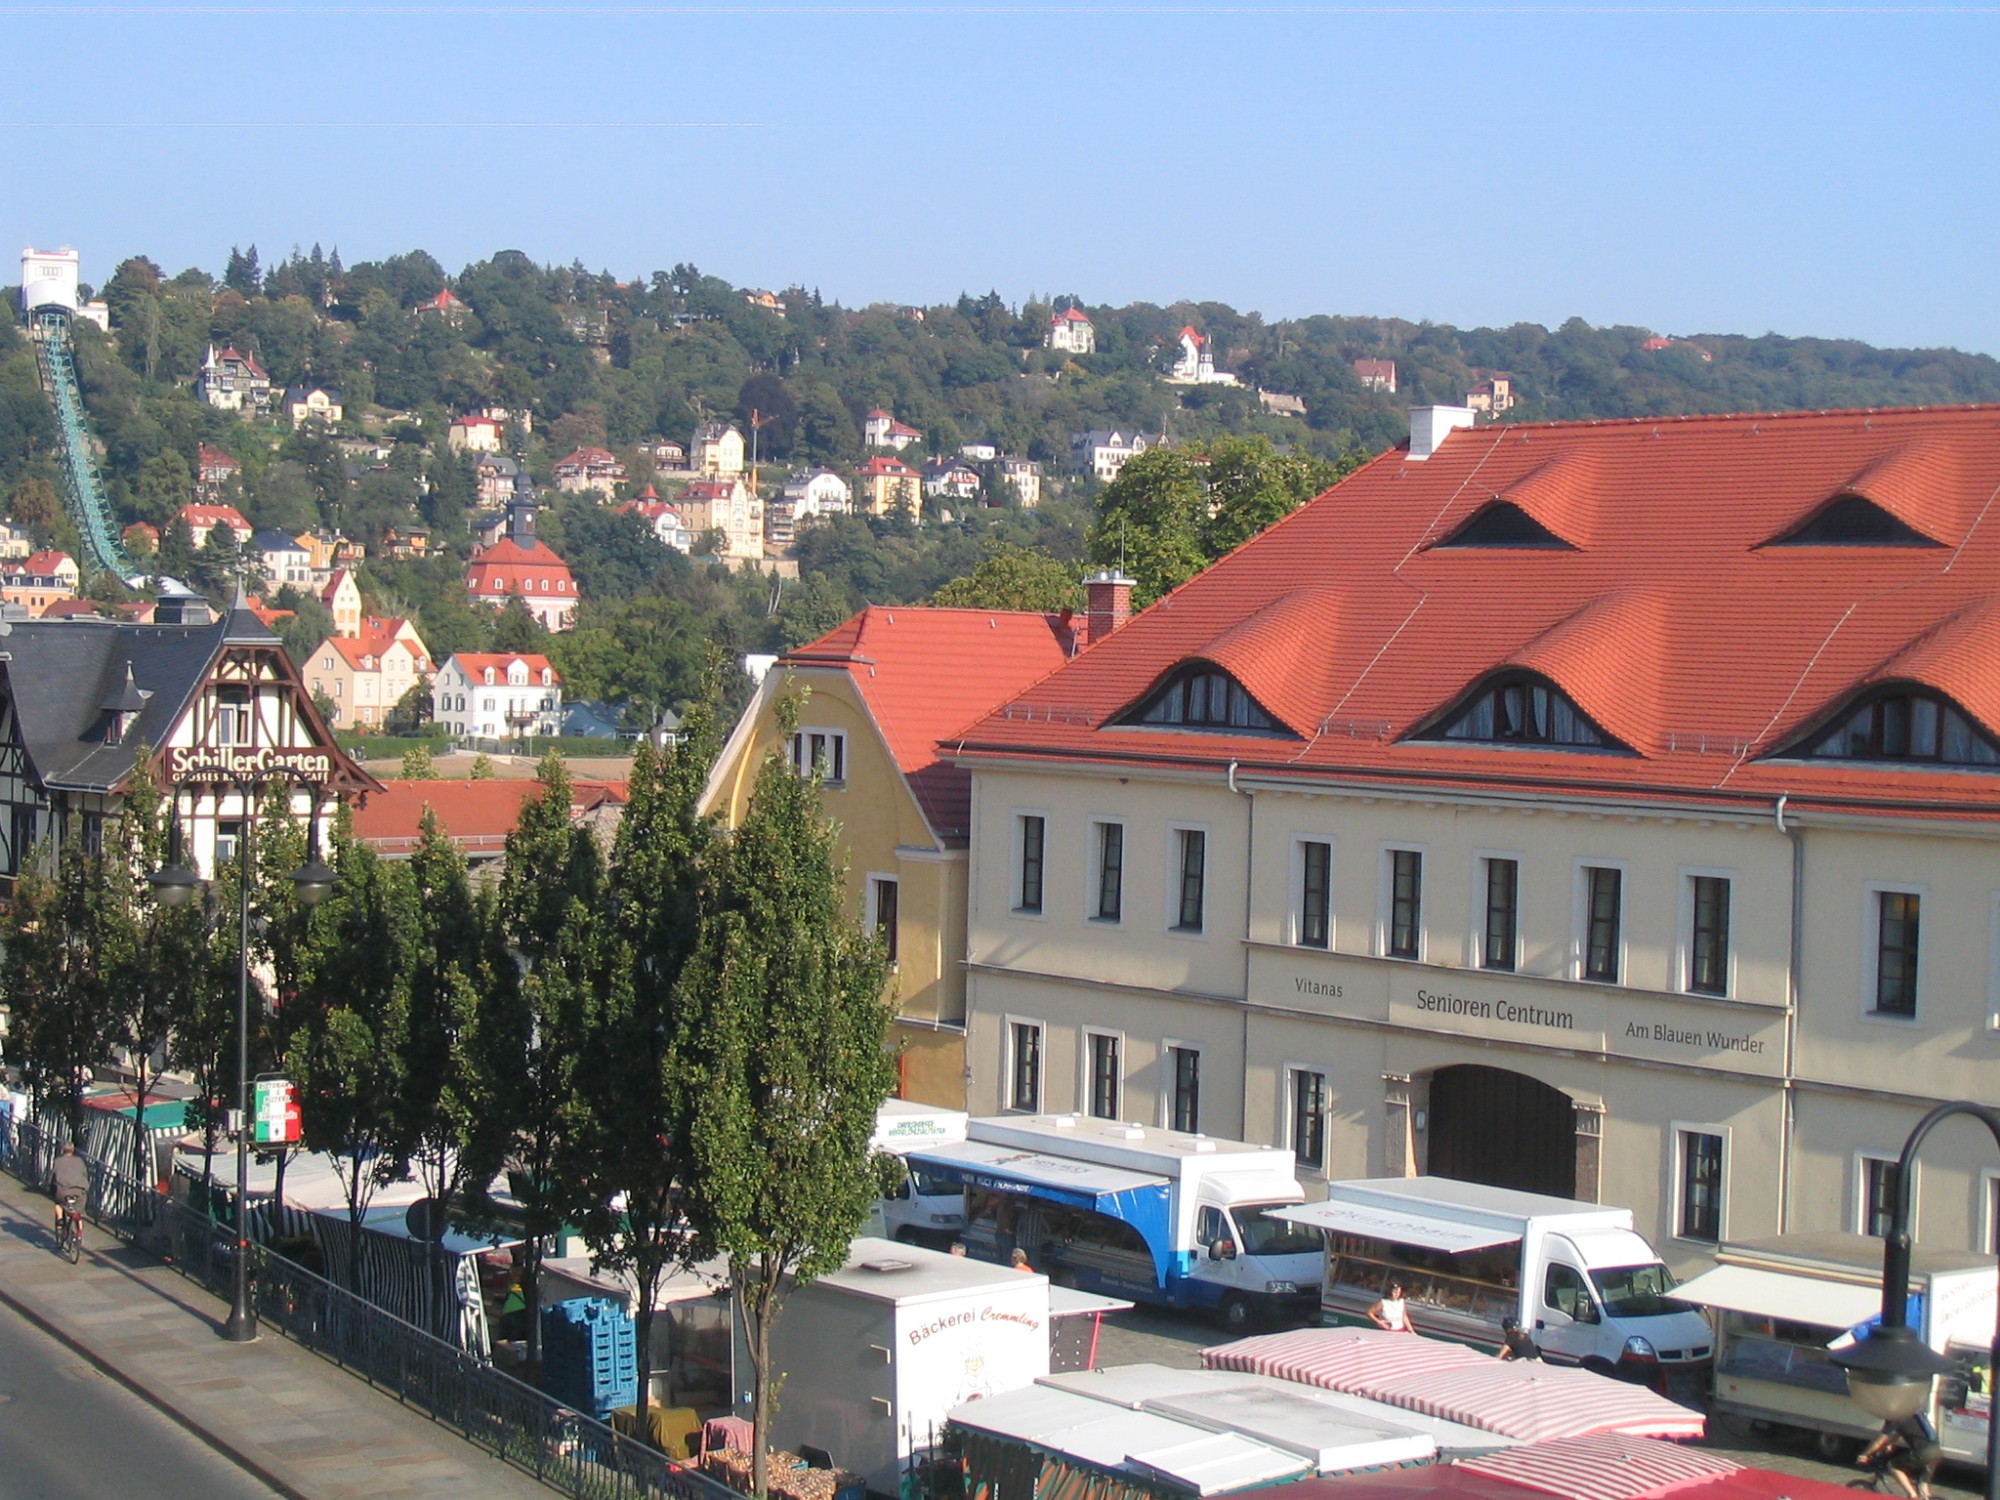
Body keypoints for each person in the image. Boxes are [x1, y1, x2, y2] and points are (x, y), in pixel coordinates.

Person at [1860, 1410, 1943, 1500]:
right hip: (1936, 1451)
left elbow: (1879, 1441)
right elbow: (1897, 1434)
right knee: (1923, 1492)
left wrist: (1865, 1454)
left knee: (1893, 1465)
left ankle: (1912, 1495)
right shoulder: (1912, 1414)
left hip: (1923, 1452)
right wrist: (1889, 1444)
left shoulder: (1895, 1419)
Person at [50, 1142, 88, 1240]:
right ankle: (79, 1232)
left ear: (63, 1150)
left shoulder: (58, 1161)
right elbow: (84, 1174)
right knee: (78, 1210)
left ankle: (60, 1219)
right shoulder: (79, 1161)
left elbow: (53, 1176)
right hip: (78, 1190)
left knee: (58, 1202)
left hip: (63, 1190)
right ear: (73, 1150)